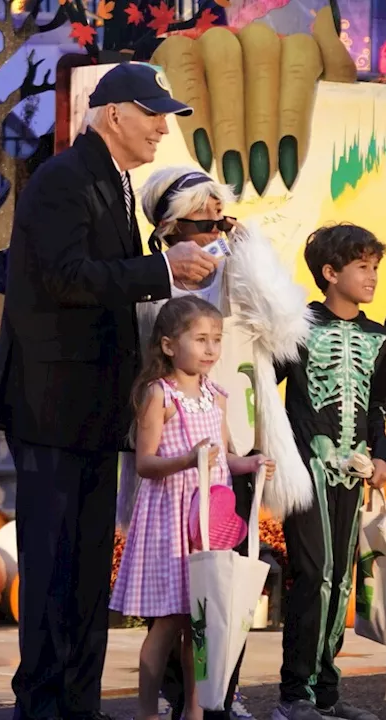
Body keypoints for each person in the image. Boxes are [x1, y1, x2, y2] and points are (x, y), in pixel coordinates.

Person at [0, 62, 216, 720]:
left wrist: (168, 275)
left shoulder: (112, 181)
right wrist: (160, 269)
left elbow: (106, 281)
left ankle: (76, 703)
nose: (162, 128)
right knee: (55, 571)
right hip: (53, 410)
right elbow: (67, 277)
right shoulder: (64, 179)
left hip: (91, 413)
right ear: (113, 114)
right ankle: (45, 704)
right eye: (153, 114)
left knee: (86, 575)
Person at [133, 167, 310, 720]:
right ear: (168, 224)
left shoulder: (238, 272)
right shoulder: (145, 286)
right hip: (173, 465)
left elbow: (287, 327)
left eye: (221, 219)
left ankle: (217, 697)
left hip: (231, 437)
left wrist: (250, 249)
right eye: (200, 221)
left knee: (225, 586)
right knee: (176, 607)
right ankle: (172, 698)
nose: (214, 231)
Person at [112, 296, 274, 720]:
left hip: (207, 522)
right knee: (168, 623)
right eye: (200, 339)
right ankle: (147, 710)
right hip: (170, 518)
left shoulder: (216, 396)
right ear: (168, 345)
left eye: (216, 340)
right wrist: (187, 460)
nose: (210, 349)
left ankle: (195, 710)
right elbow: (145, 463)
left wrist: (252, 462)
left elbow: (224, 455)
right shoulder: (158, 396)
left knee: (199, 625)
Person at [275, 224, 386, 720]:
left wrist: (382, 455)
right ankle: (292, 694)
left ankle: (326, 691)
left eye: (375, 268)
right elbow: (263, 385)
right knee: (314, 574)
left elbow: (378, 405)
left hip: (354, 471)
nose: (372, 277)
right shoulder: (297, 326)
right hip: (308, 469)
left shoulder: (378, 337)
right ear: (330, 272)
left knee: (342, 580)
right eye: (362, 267)